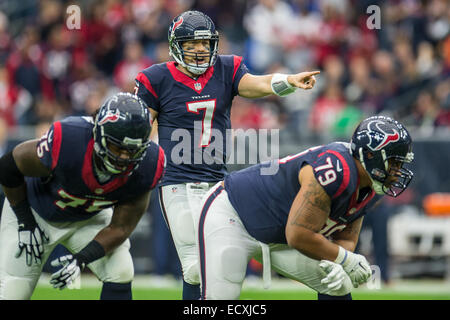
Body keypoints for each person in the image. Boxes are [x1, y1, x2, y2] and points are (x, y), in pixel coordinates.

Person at [134, 10, 320, 300]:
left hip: (217, 184)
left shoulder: (226, 68)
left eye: (205, 43)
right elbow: (139, 126)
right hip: (177, 183)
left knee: (219, 260)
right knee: (196, 267)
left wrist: (288, 81)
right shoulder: (156, 78)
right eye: (191, 44)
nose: (199, 50)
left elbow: (257, 84)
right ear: (175, 45)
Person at [196, 116, 414, 300]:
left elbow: (347, 235)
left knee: (337, 282)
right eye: (394, 163)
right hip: (233, 213)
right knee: (220, 296)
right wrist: (346, 259)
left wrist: (341, 262)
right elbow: (298, 234)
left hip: (280, 236)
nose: (397, 171)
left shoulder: (371, 187)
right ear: (370, 155)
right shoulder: (336, 170)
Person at [0, 92, 165, 300]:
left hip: (88, 218)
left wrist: (82, 258)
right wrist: (24, 221)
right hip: (36, 212)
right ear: (99, 133)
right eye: (116, 147)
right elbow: (8, 165)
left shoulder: (148, 164)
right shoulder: (70, 140)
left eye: (132, 151)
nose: (123, 158)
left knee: (120, 270)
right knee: (14, 290)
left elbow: (121, 227)